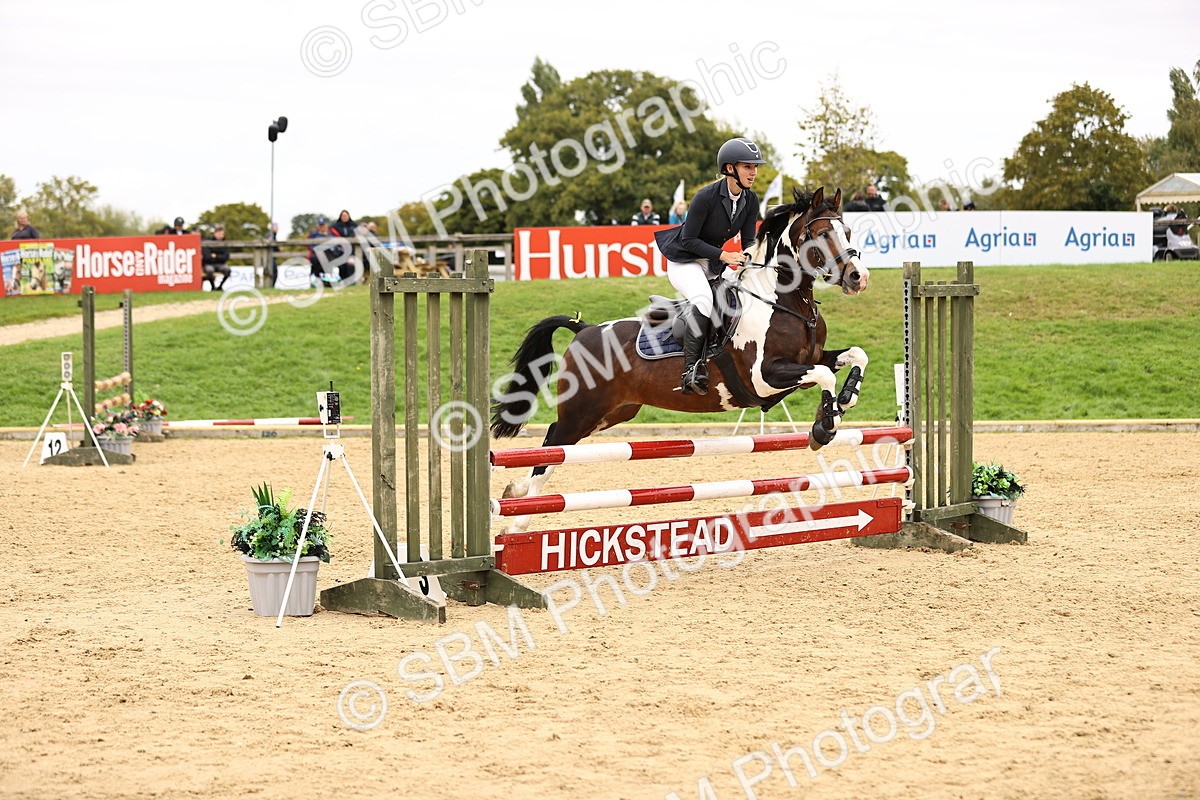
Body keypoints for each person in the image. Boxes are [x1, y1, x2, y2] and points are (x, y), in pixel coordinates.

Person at [654, 136, 764, 396]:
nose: (754, 172)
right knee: (704, 299)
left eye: (755, 167)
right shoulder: (706, 197)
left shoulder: (750, 200)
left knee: (742, 293)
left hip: (713, 262)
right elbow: (688, 240)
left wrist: (752, 261)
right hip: (684, 261)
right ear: (730, 168)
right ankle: (691, 370)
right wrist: (725, 256)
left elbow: (748, 241)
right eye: (748, 167)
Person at [201, 225, 232, 291]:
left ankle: (220, 286)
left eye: (222, 234)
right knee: (209, 270)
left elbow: (226, 257)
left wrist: (216, 256)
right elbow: (207, 257)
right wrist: (219, 257)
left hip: (220, 264)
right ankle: (213, 287)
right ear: (215, 233)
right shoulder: (208, 242)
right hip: (209, 264)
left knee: (227, 270)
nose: (221, 235)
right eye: (219, 233)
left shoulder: (224, 244)